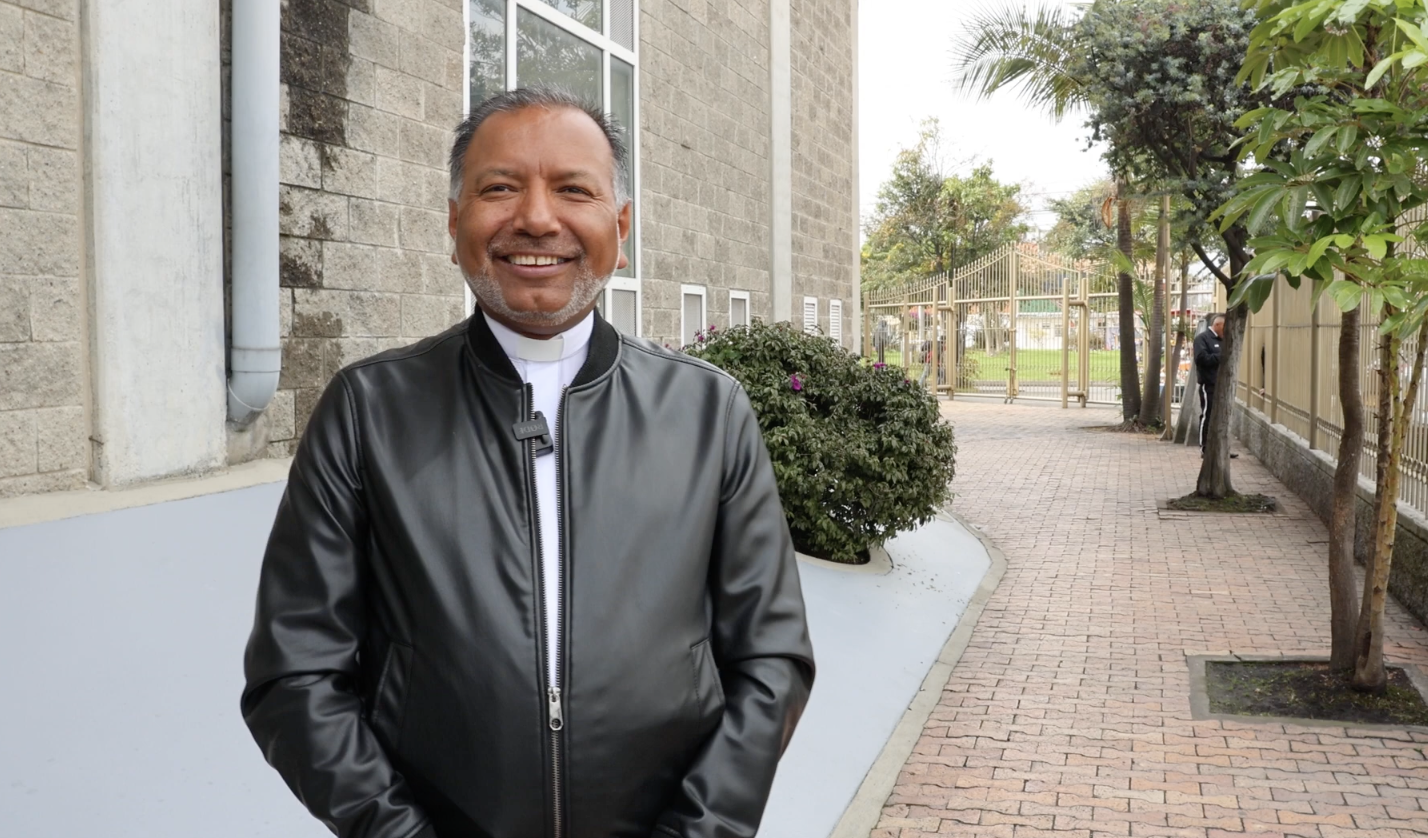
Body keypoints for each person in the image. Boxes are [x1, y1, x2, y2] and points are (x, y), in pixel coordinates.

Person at [241, 88, 815, 838]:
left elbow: (771, 660)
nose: (538, 218)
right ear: (455, 222)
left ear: (621, 226)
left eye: (574, 189)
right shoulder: (368, 411)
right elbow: (295, 673)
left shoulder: (709, 411)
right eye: (500, 188)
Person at [1194, 313, 1226, 456]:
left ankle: (1221, 448)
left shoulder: (1223, 340)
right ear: (1217, 325)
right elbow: (1202, 359)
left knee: (1222, 416)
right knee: (1208, 414)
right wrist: (1221, 356)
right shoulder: (1202, 339)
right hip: (1209, 384)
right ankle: (1204, 447)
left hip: (1222, 384)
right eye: (1225, 327)